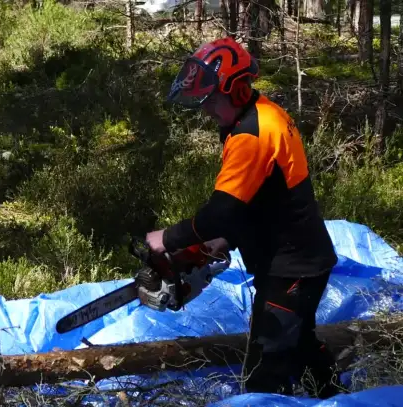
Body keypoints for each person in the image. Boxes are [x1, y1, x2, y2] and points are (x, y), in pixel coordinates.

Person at [144, 37, 342, 398]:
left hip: (293, 265)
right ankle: (336, 397)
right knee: (299, 344)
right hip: (291, 257)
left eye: (211, 102)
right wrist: (223, 241)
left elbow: (222, 211)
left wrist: (169, 238)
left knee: (264, 370)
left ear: (235, 90)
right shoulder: (258, 113)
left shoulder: (252, 134)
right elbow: (259, 197)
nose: (206, 112)